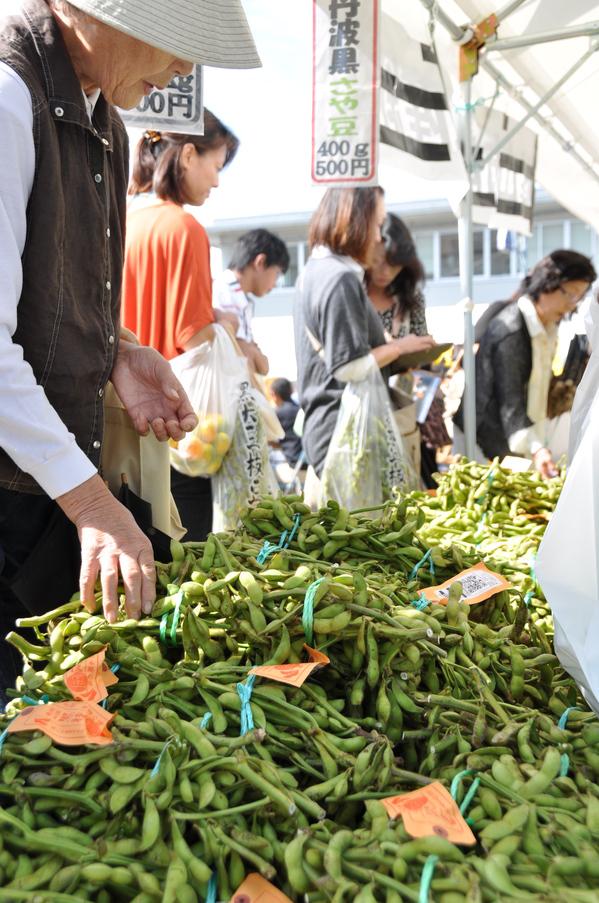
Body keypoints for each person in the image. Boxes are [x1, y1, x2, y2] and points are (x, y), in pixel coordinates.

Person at [0, 0, 259, 702]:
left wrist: (118, 349)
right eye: (172, 39)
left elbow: (39, 296)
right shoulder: (7, 93)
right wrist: (93, 503)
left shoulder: (106, 125)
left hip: (39, 486)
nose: (182, 65)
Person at [122, 116, 240, 542]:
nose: (217, 181)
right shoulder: (184, 228)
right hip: (174, 416)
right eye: (217, 165)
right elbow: (191, 334)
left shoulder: (124, 218)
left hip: (120, 415)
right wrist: (223, 324)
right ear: (189, 154)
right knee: (184, 552)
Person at [294, 186, 416, 504]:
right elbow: (348, 366)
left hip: (325, 427)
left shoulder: (314, 271)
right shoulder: (340, 278)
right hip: (342, 432)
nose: (379, 237)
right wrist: (401, 348)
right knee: (355, 539)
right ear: (357, 222)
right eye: (377, 225)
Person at [453, 250, 596, 476]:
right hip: (483, 440)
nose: (572, 304)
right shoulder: (511, 329)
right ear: (547, 283)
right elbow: (511, 402)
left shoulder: (546, 325)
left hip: (510, 439)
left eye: (578, 296)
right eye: (569, 293)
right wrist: (537, 449)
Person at [366, 212, 449, 484]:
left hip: (401, 405)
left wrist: (420, 351)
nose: (385, 272)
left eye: (394, 265)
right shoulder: (353, 292)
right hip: (362, 404)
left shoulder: (410, 298)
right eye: (380, 263)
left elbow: (420, 340)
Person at [213, 229, 290, 375]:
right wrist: (255, 353)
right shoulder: (223, 294)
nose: (274, 285)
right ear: (260, 262)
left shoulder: (238, 295)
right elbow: (247, 357)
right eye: (277, 274)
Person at [270, 378, 303, 468]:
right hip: (305, 460)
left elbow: (270, 440)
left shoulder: (277, 413)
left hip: (292, 462)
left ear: (273, 394)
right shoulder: (300, 409)